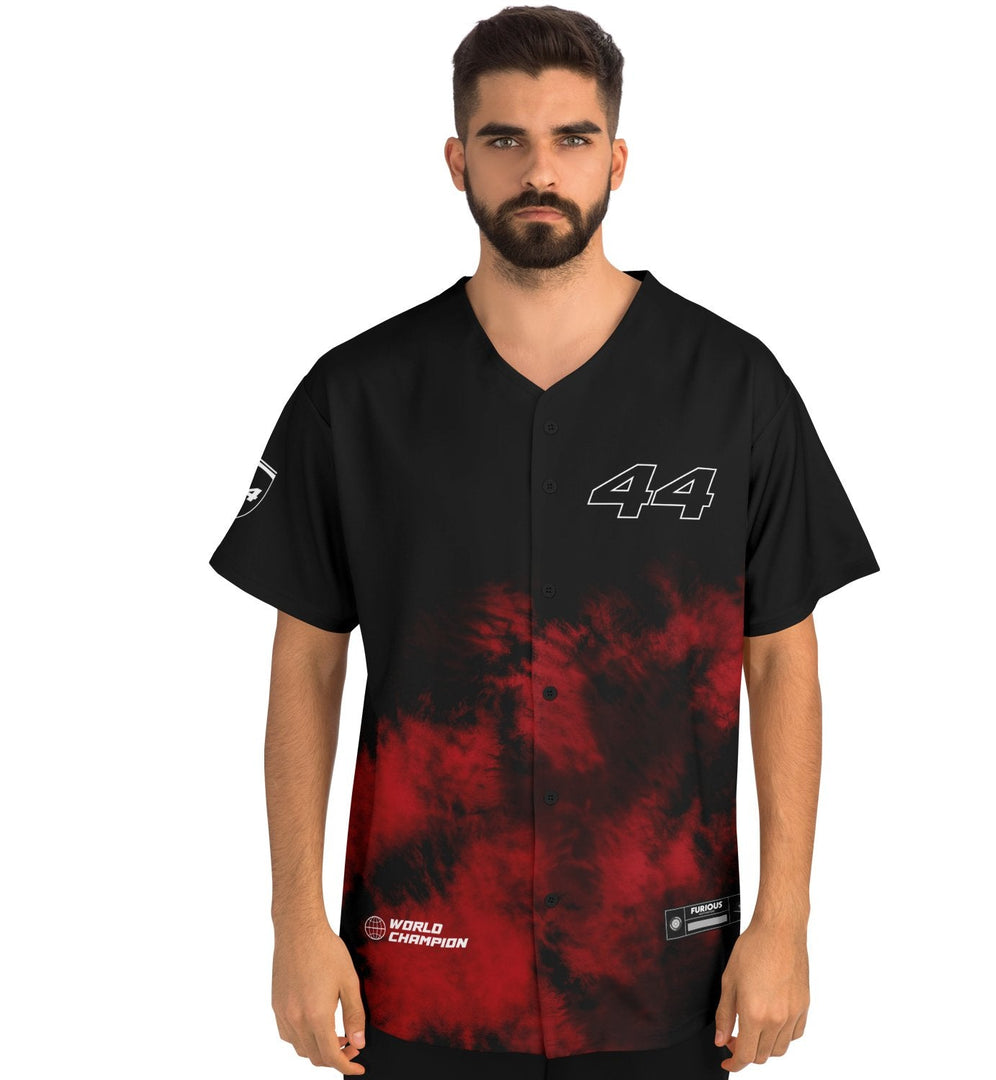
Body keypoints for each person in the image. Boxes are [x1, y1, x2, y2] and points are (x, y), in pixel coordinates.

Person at [208, 5, 880, 1076]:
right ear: (455, 162)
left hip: (669, 972)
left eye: (572, 137)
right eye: (504, 139)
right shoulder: (358, 396)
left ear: (617, 158)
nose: (539, 170)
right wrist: (296, 922)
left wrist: (784, 921)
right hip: (420, 969)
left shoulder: (733, 387)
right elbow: (306, 663)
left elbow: (780, 655)